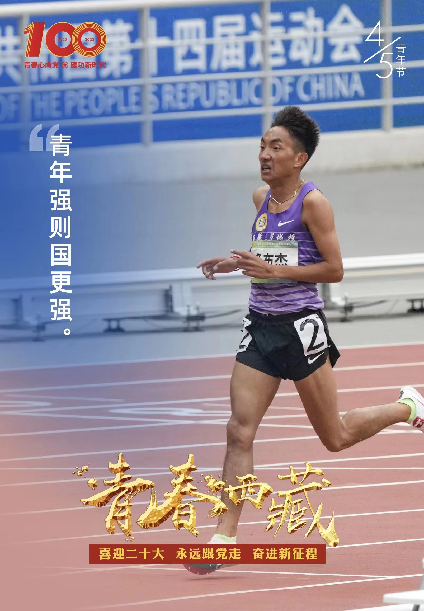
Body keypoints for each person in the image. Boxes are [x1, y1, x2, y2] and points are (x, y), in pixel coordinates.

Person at [185, 106, 424, 575]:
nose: (264, 155)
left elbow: (334, 270)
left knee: (335, 436)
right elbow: (270, 252)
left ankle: (407, 407)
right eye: (262, 146)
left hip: (301, 328)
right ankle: (224, 537)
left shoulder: (314, 203)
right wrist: (238, 263)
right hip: (260, 328)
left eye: (276, 147)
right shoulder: (261, 198)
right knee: (239, 430)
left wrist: (275, 271)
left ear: (300, 158)